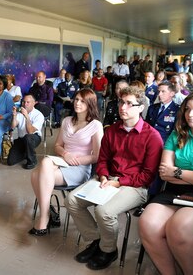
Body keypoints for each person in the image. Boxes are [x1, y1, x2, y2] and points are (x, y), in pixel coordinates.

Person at [65, 86, 163, 270]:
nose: (122, 107)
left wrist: (119, 182)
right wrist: (102, 175)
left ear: (141, 107)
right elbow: (102, 160)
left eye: (129, 104)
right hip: (107, 179)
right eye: (121, 102)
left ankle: (108, 250)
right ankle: (96, 240)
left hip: (135, 185)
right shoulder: (112, 131)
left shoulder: (153, 137)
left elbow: (147, 176)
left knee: (104, 211)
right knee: (71, 200)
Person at [139, 90, 193, 275]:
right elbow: (164, 173)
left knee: (179, 228)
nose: (190, 114)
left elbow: (171, 171)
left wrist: (178, 172)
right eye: (187, 109)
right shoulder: (177, 135)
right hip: (173, 192)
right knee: (147, 223)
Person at [29, 89, 103, 235]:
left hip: (80, 167)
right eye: (76, 99)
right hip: (63, 160)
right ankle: (48, 214)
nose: (77, 103)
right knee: (41, 167)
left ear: (90, 104)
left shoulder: (95, 125)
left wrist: (74, 160)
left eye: (82, 101)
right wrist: (66, 154)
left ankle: (47, 217)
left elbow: (97, 156)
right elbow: (57, 146)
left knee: (36, 175)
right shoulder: (67, 121)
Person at [7, 94, 44, 169]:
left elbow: (30, 131)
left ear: (34, 103)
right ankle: (26, 153)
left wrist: (27, 116)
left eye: (28, 102)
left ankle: (32, 161)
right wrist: (14, 116)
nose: (25, 104)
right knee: (10, 161)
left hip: (34, 138)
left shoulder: (38, 115)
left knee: (28, 137)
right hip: (21, 139)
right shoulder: (19, 113)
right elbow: (13, 126)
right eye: (23, 102)